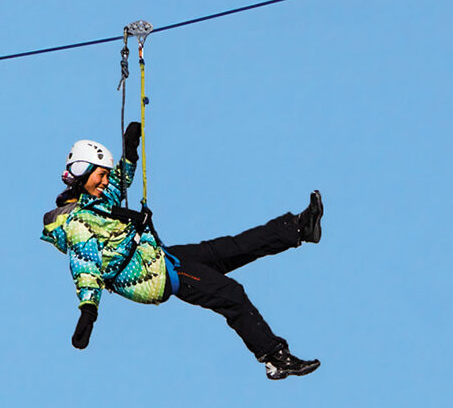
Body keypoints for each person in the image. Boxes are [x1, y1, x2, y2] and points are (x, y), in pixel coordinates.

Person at [39, 122, 323, 379]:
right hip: (155, 277)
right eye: (100, 174)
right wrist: (88, 312)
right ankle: (274, 358)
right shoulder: (77, 223)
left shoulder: (97, 200)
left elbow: (119, 182)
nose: (104, 180)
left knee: (231, 248)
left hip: (161, 258)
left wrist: (130, 152)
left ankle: (298, 228)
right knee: (230, 294)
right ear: (83, 173)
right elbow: (85, 267)